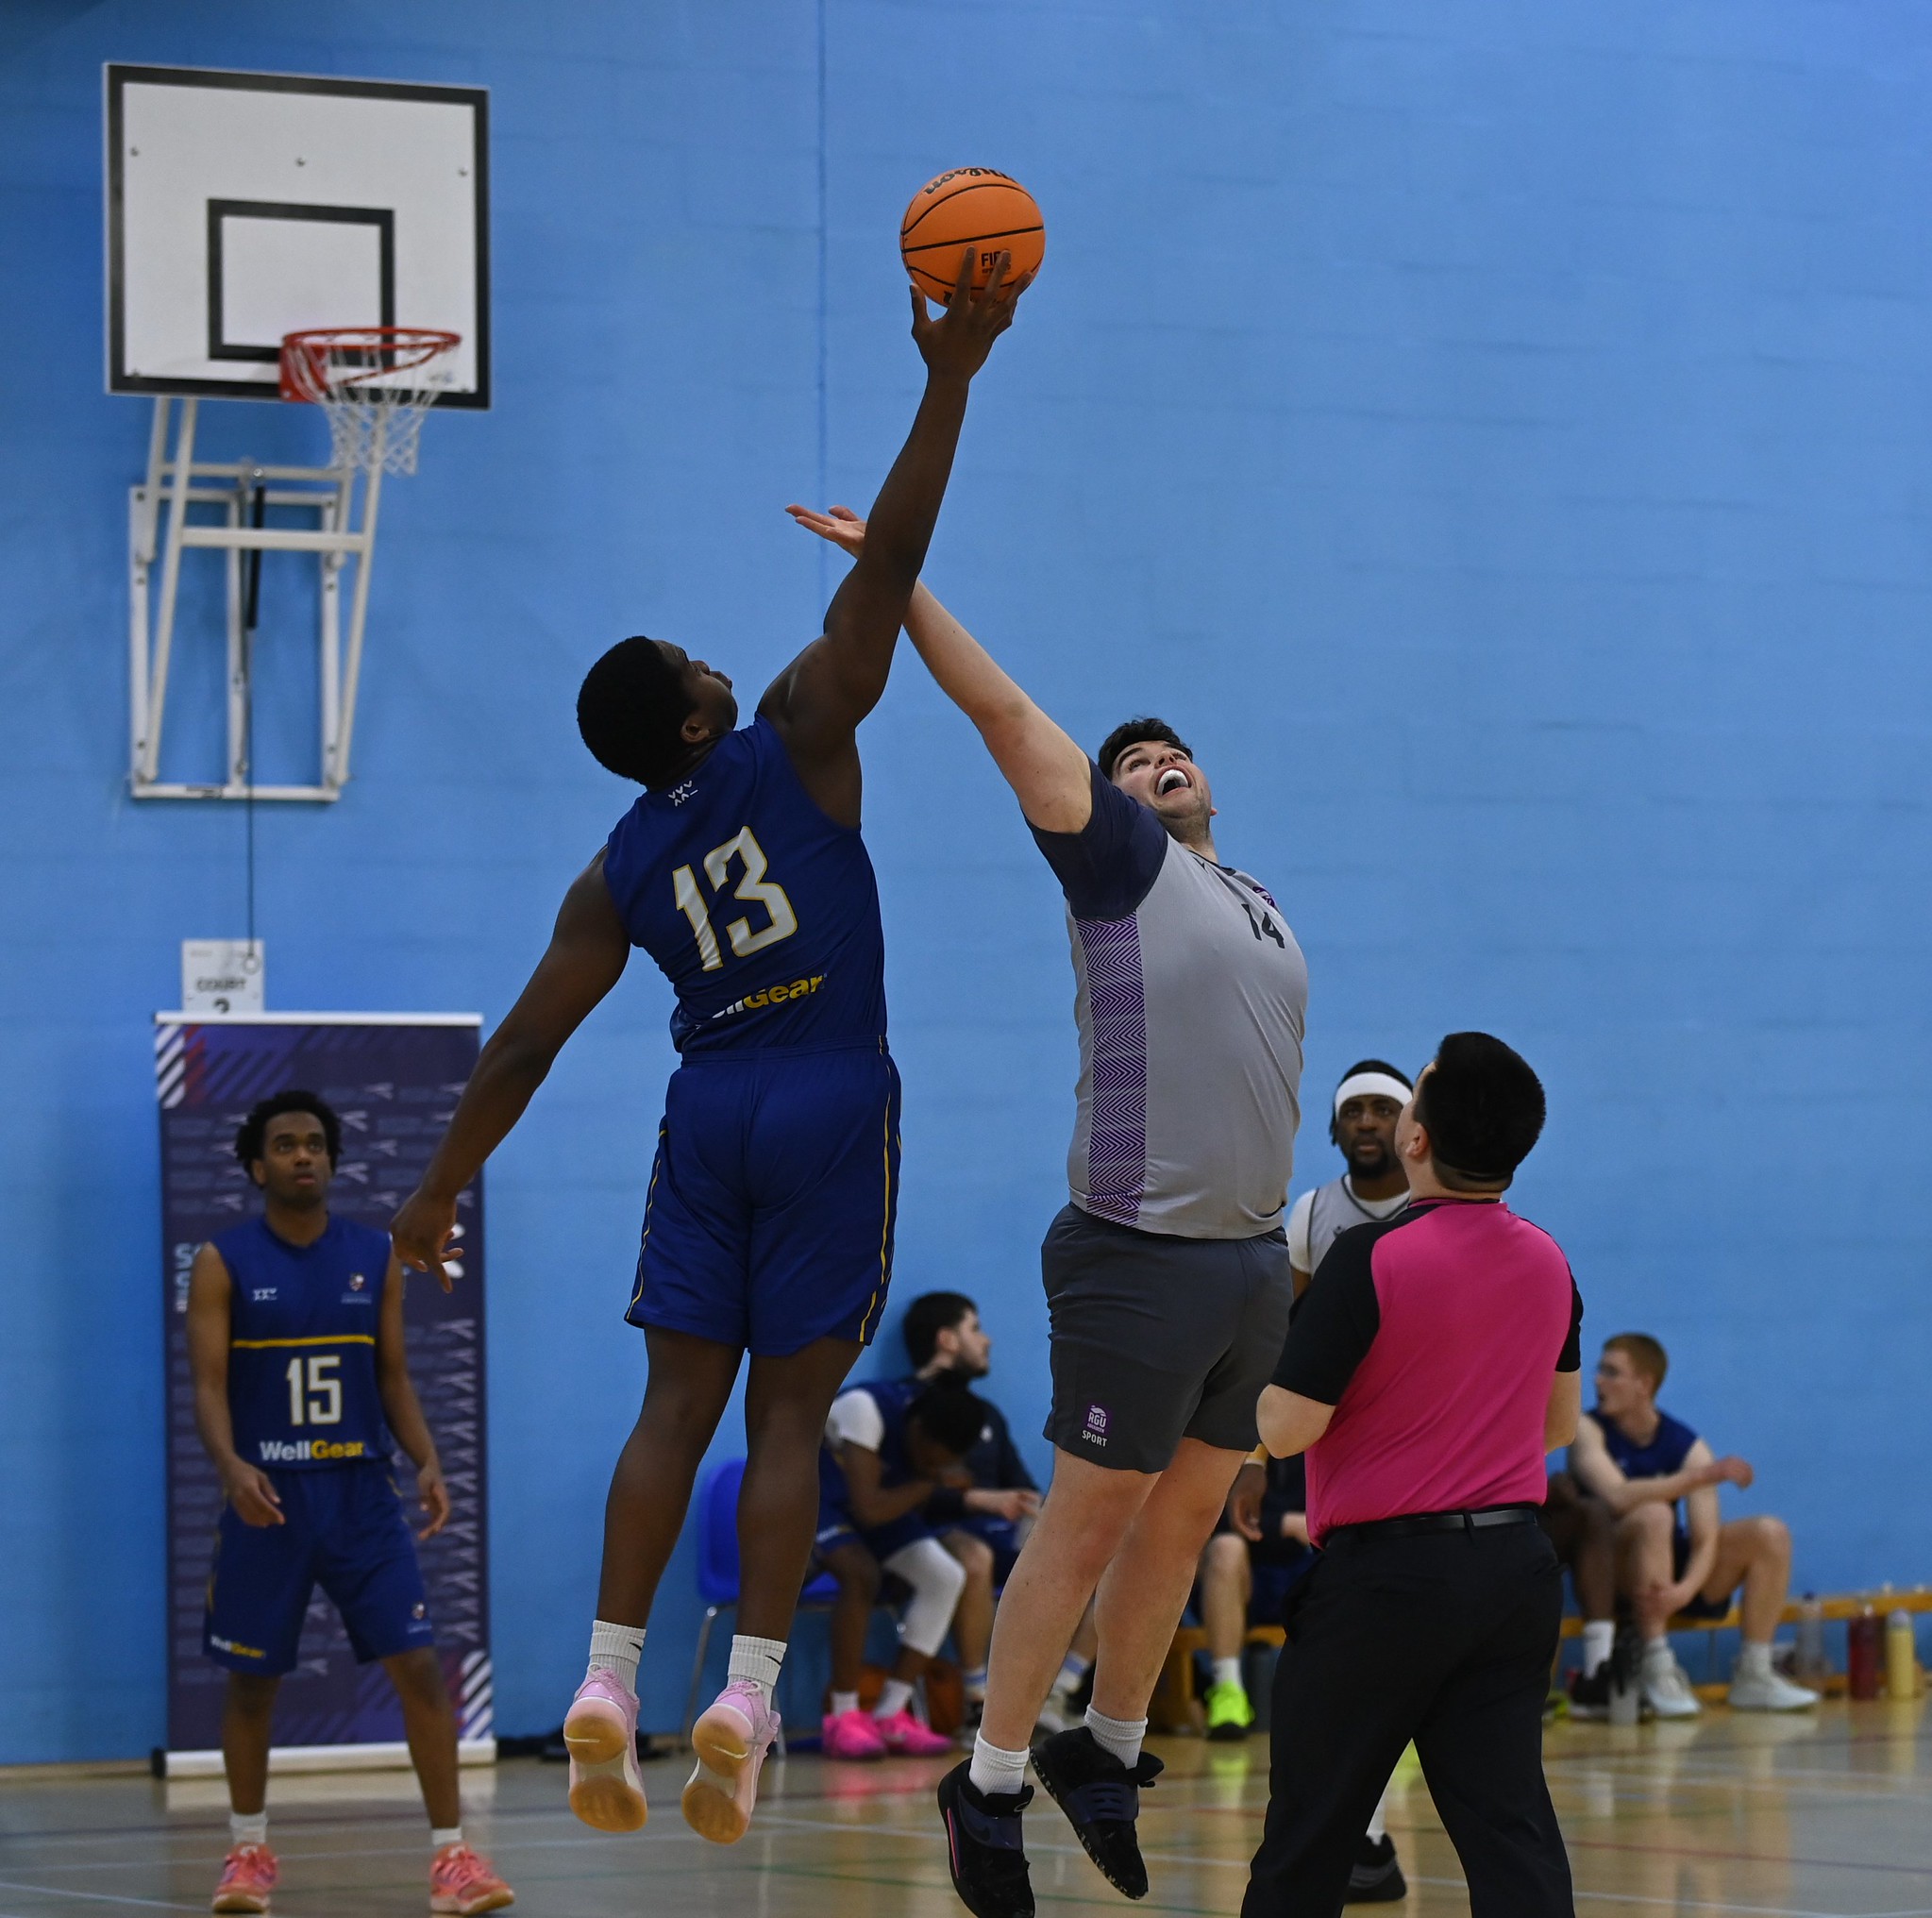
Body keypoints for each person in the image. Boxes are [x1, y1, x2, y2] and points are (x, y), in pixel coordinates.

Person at [390, 257, 1024, 1848]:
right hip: (826, 1088)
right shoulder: (803, 725)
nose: (704, 658)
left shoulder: (611, 868)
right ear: (690, 719)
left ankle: (606, 1676)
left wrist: (432, 1192)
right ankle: (744, 1695)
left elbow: (525, 1044)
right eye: (685, 661)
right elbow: (893, 569)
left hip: (707, 1101)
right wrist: (950, 377)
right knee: (790, 1422)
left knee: (670, 1404)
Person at [788, 506, 1307, 1918]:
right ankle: (989, 1779)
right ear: (1110, 797)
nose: (1155, 761)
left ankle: (1106, 1745)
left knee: (1191, 1518)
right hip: (1136, 1251)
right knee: (1084, 1523)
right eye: (1129, 760)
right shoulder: (1116, 863)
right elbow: (1000, 710)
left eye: (1168, 750)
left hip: (1247, 1258)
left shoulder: (1249, 895)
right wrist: (895, 581)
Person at [1245, 1034, 1581, 1918]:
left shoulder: (1368, 1259)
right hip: (1515, 1575)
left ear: (1417, 1140)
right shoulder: (1550, 1259)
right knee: (1511, 1834)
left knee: (1307, 1841)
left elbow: (1283, 1429)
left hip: (1386, 1586)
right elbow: (1557, 1425)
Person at [188, 1093, 512, 1917]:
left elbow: (393, 1377)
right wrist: (230, 1467)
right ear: (257, 1167)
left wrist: (428, 1458)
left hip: (363, 1496)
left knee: (419, 1669)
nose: (303, 1156)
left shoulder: (373, 1254)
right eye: (285, 1146)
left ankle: (453, 1860)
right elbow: (210, 1386)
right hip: (270, 1498)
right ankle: (248, 1852)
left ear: (331, 1162)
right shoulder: (222, 1262)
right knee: (252, 1685)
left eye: (315, 1145)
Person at [1569, 1335, 1818, 1717]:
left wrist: (1684, 1592)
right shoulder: (1587, 1430)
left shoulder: (1685, 1445)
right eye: (1600, 1371)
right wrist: (1702, 1476)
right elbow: (1616, 1496)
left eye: (1611, 1372)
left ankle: (1754, 1672)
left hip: (1669, 1573)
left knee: (1770, 1533)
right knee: (1655, 1514)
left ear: (1644, 1384)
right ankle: (1656, 1663)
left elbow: (1705, 1540)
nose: (1598, 1381)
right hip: (1612, 1573)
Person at [1209, 1455, 1406, 1904]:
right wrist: (1285, 1518)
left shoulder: (1328, 1420)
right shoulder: (1246, 1424)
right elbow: (1220, 1512)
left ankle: (1367, 1844)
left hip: (1330, 1564)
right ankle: (1228, 1691)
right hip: (1262, 1568)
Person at [814, 1378, 995, 1758]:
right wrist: (931, 1482)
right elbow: (869, 1509)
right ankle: (842, 1717)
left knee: (946, 1576)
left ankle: (890, 1713)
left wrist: (931, 1482)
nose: (930, 1467)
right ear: (916, 1430)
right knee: (861, 1575)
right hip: (820, 1498)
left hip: (880, 1504)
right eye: (928, 1459)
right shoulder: (864, 1408)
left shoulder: (931, 1432)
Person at [900, 1291, 1044, 1732]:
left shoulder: (986, 1414)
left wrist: (1032, 1507)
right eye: (975, 1329)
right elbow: (900, 1491)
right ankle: (977, 1698)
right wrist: (975, 1500)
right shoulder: (905, 1406)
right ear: (946, 1340)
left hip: (1000, 1532)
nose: (987, 1341)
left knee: (1097, 1554)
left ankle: (1059, 1694)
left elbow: (1023, 1485)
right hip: (933, 1530)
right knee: (974, 1557)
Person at [1286, 1061, 1412, 1296]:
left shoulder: (1443, 1212)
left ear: (1412, 1129)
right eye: (1352, 1111)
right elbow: (1293, 1323)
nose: (1366, 1123)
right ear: (1335, 1130)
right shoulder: (1310, 1211)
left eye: (1383, 1110)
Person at [1537, 1471, 1621, 1717]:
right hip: (1458, 1518)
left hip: (1522, 1512)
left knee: (1592, 1512)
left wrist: (1546, 1490)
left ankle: (1598, 1673)